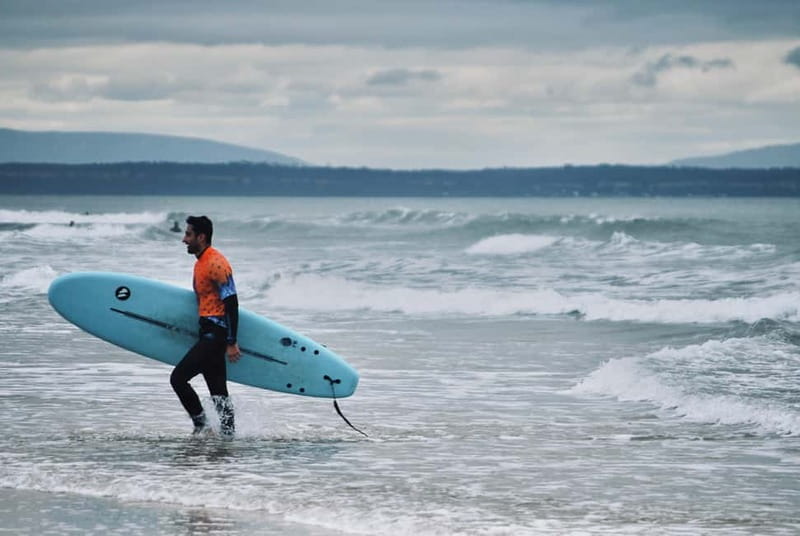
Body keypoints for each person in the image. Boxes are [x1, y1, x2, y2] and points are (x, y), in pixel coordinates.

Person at [171, 215, 241, 437]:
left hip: (215, 335)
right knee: (218, 392)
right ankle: (228, 438)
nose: (184, 239)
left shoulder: (216, 263)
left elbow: (232, 303)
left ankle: (202, 426)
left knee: (178, 379)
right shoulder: (201, 262)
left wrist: (232, 341)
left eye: (188, 234)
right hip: (208, 333)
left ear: (201, 237)